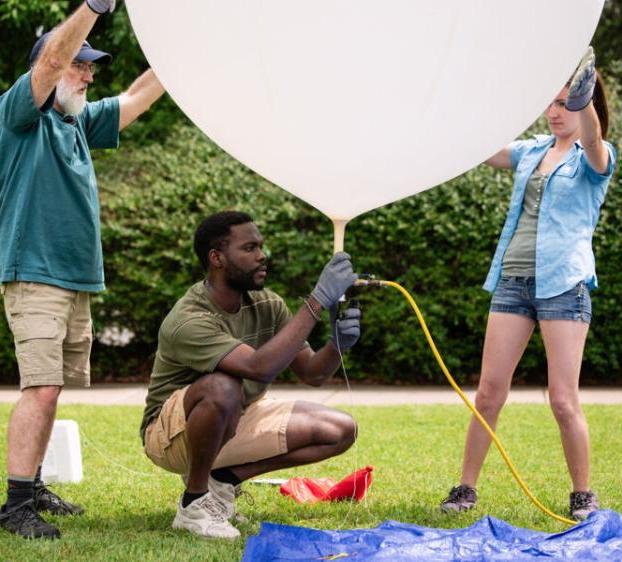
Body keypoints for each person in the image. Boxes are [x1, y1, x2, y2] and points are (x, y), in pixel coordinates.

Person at [0, 0, 165, 539]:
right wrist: (94, 7)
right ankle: (16, 505)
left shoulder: (77, 121)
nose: (88, 73)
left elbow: (140, 95)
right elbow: (49, 66)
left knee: (54, 388)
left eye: (92, 65)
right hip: (35, 273)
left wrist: (187, 58)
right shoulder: (20, 114)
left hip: (74, 281)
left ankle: (35, 484)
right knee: (40, 387)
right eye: (80, 63)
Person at [440, 48, 616, 520]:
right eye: (552, 103)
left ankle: (583, 495)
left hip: (563, 285)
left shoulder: (595, 158)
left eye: (567, 102)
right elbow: (481, 149)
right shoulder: (532, 150)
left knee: (562, 399)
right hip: (514, 282)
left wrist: (586, 103)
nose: (556, 112)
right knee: (489, 392)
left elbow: (596, 138)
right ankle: (464, 489)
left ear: (584, 103)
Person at [140, 211, 361, 539]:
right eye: (249, 248)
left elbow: (312, 373)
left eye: (261, 246)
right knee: (223, 385)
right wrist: (315, 302)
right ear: (217, 258)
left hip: (237, 415)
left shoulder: (268, 304)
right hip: (170, 434)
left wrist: (337, 345)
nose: (262, 255)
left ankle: (223, 482)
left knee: (341, 430)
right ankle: (195, 502)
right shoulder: (188, 319)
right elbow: (258, 367)